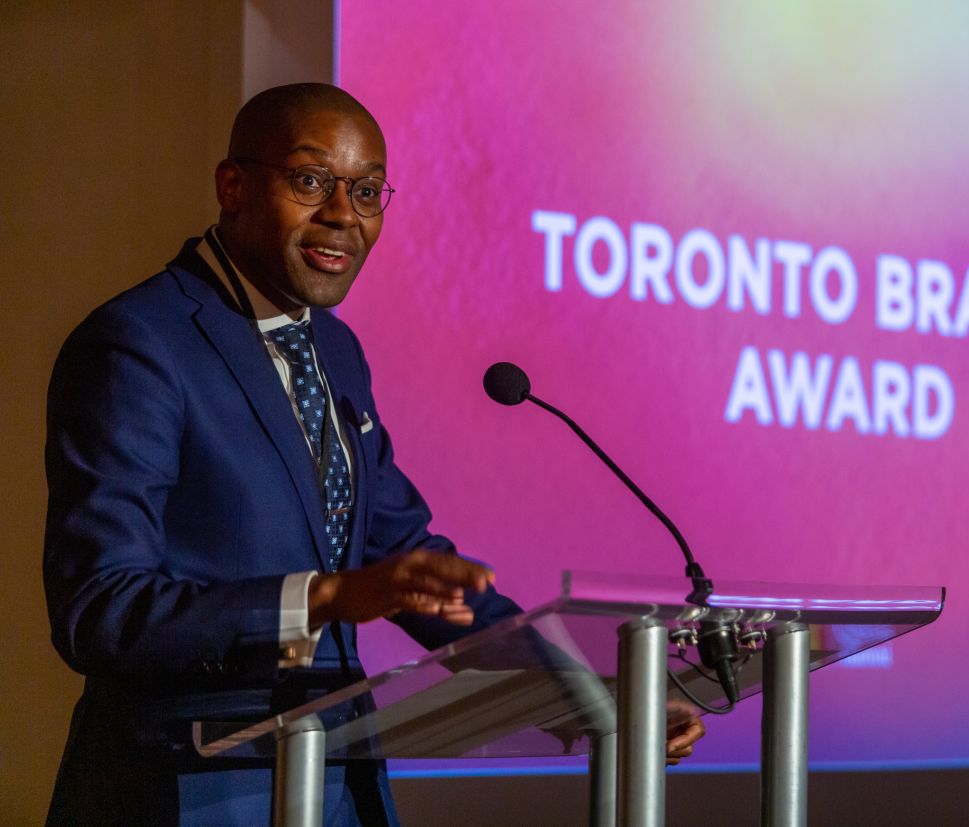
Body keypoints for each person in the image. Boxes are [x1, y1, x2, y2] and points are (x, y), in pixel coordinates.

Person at [43, 83, 703, 825]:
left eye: (365, 191)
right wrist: (323, 597)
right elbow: (100, 609)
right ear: (232, 185)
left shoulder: (335, 349)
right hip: (186, 788)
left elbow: (406, 557)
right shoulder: (141, 344)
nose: (342, 216)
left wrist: (590, 694)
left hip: (334, 784)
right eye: (309, 180)